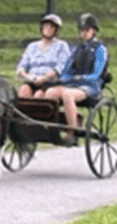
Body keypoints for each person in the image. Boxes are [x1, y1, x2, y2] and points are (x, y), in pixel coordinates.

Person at [42, 13, 108, 146]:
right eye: (82, 30)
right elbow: (67, 69)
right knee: (50, 93)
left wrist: (81, 78)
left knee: (67, 94)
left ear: (94, 31)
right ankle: (53, 127)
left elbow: (96, 73)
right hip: (73, 84)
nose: (84, 33)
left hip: (90, 87)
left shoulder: (100, 49)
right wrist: (62, 79)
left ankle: (72, 132)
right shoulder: (75, 49)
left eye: (87, 30)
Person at [15, 13, 71, 98]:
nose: (48, 29)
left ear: (56, 30)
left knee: (39, 95)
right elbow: (21, 66)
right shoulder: (32, 46)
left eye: (51, 27)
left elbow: (62, 65)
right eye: (46, 26)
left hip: (50, 82)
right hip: (32, 79)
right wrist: (26, 76)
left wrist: (45, 78)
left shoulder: (61, 45)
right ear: (41, 28)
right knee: (23, 91)